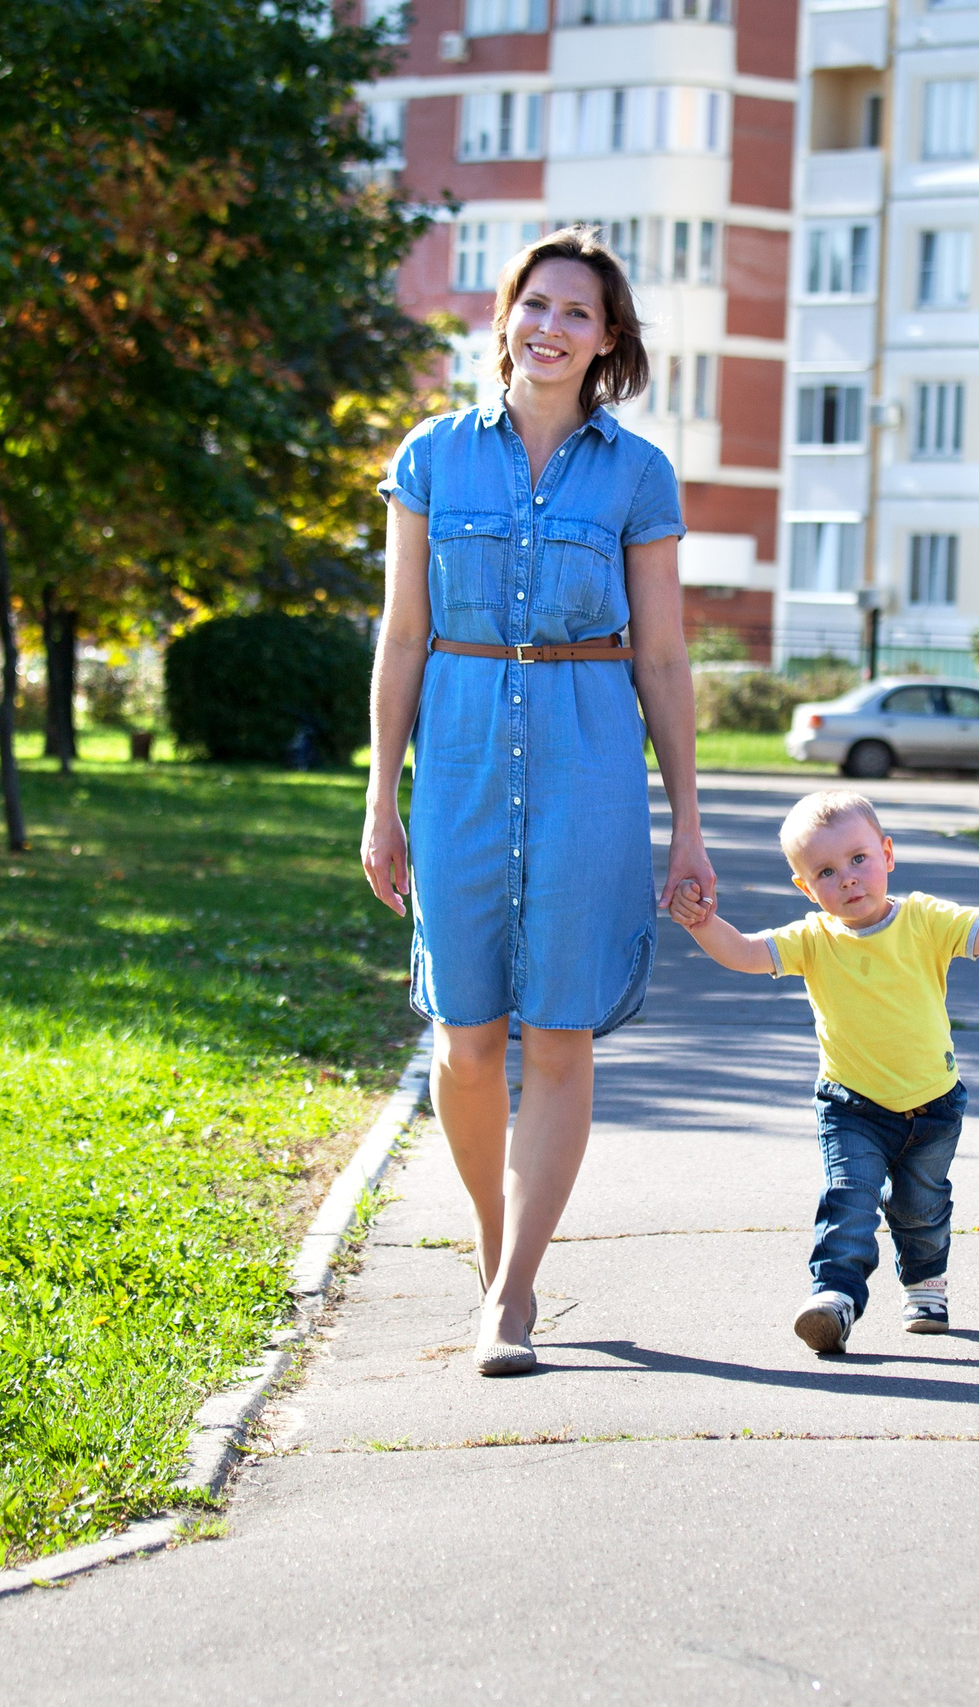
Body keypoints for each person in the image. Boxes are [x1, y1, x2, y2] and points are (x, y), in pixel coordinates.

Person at [362, 228, 714, 1378]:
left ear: (607, 340)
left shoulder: (637, 474)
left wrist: (688, 824)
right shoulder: (430, 457)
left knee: (556, 1031)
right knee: (465, 1041)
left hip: (588, 760)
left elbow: (661, 661)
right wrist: (381, 799)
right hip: (457, 755)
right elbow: (404, 634)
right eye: (538, 306)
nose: (552, 329)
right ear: (506, 316)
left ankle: (512, 1296)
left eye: (580, 314)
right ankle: (491, 1242)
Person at [669, 790, 979, 1354]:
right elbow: (743, 952)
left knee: (922, 1205)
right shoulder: (813, 939)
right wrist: (702, 923)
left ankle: (924, 1282)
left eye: (859, 859)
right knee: (848, 1196)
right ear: (805, 887)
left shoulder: (923, 919)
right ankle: (834, 1298)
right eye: (825, 871)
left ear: (887, 854)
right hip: (851, 1106)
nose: (848, 878)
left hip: (933, 1105)